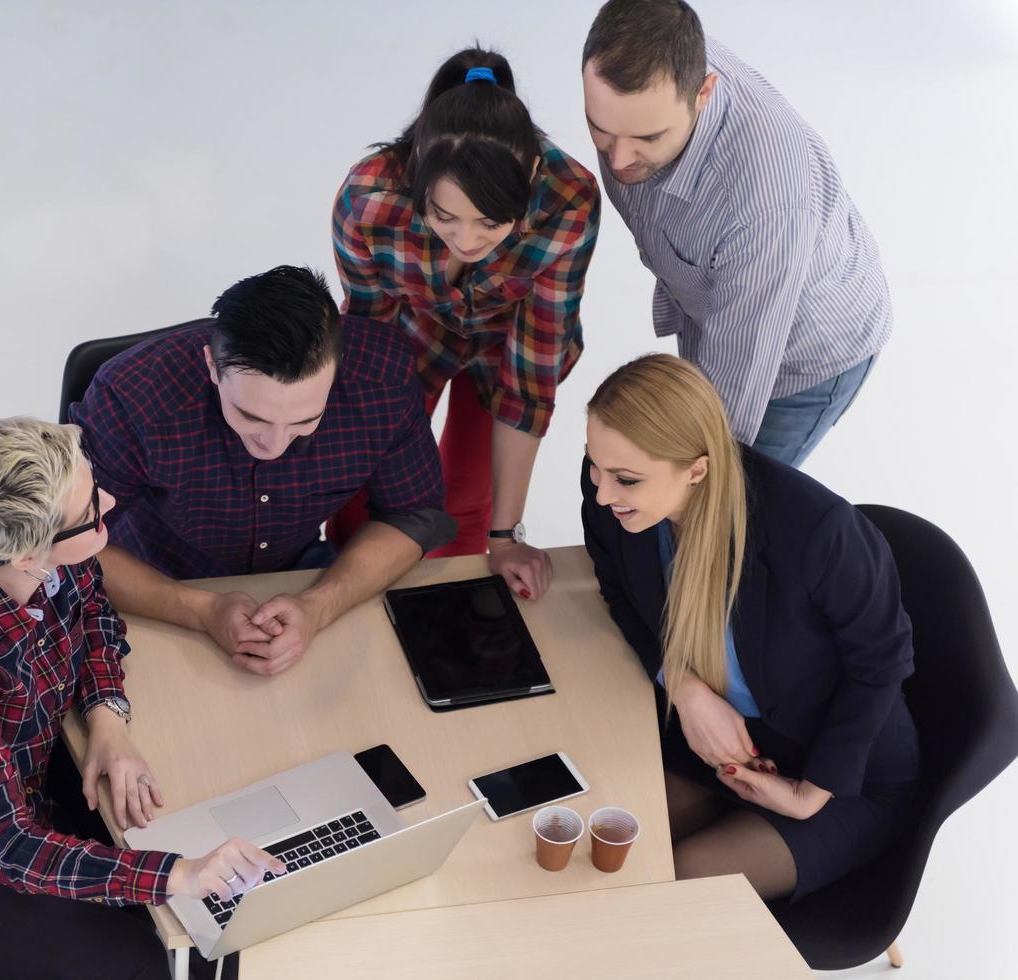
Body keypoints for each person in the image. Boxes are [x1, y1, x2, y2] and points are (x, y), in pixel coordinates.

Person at [0, 417, 282, 979]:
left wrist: (107, 716)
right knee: (147, 957)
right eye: (92, 508)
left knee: (192, 908)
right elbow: (4, 844)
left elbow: (96, 617)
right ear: (27, 556)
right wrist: (177, 875)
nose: (108, 502)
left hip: (20, 797)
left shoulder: (41, 550)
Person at [580, 354, 919, 900]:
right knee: (602, 843)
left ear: (697, 468)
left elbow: (881, 665)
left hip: (841, 778)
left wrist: (811, 793)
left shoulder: (816, 532)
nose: (600, 494)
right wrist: (685, 688)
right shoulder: (614, 498)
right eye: (594, 466)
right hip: (718, 747)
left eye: (625, 479)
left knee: (681, 883)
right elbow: (618, 594)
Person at [68, 266, 454, 676]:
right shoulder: (133, 394)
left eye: (305, 421)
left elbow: (412, 514)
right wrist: (200, 610)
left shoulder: (383, 374)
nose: (274, 446)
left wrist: (320, 605)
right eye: (252, 417)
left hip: (300, 577)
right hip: (154, 586)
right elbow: (69, 543)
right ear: (213, 367)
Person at [331, 45, 600, 602]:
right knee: (359, 495)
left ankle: (453, 614)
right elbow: (367, 348)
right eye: (445, 217)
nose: (469, 242)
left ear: (529, 175)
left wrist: (505, 536)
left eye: (492, 222)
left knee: (467, 498)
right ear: (419, 175)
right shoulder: (369, 200)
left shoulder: (567, 202)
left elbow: (531, 378)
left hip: (508, 348)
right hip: (406, 337)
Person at [582, 0, 891, 467]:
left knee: (731, 505)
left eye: (648, 139)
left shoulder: (766, 202)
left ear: (703, 94)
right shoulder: (638, 66)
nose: (619, 159)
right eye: (601, 131)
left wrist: (695, 483)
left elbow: (726, 415)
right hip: (717, 313)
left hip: (805, 357)